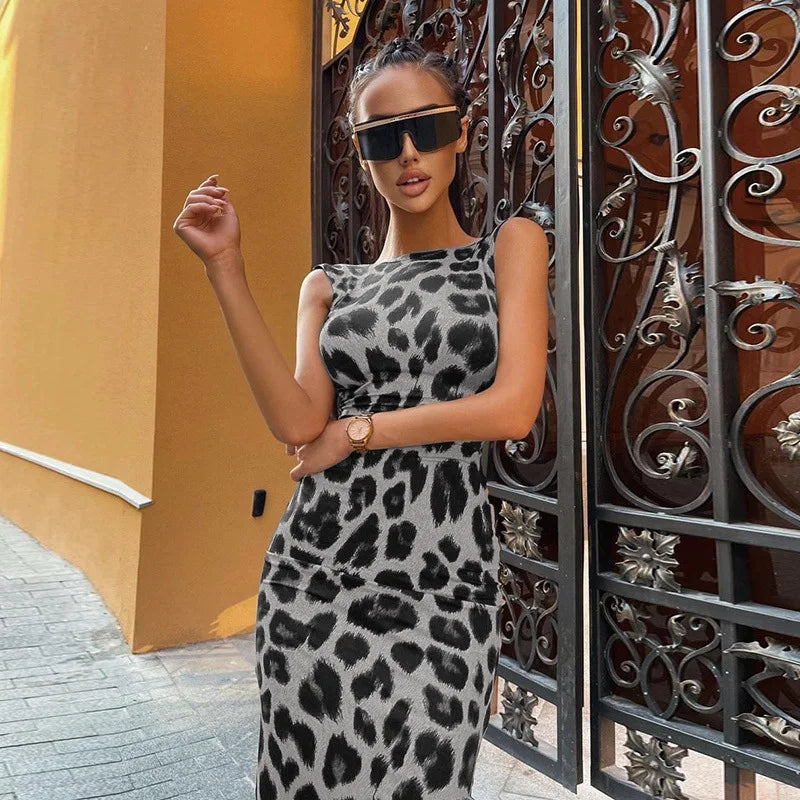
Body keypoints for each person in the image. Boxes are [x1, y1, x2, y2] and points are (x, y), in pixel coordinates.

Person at [174, 35, 548, 800]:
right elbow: (296, 422)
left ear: (462, 133)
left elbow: (513, 409)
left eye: (428, 127)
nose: (409, 152)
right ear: (359, 147)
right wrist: (225, 269)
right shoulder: (329, 286)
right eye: (384, 136)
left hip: (444, 580)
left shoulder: (509, 248)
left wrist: (358, 432)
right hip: (316, 576)